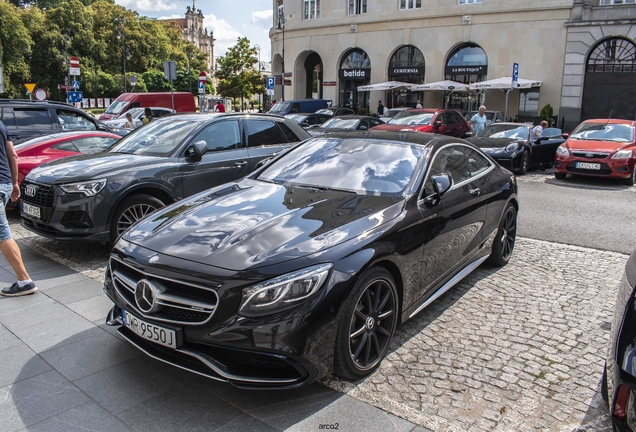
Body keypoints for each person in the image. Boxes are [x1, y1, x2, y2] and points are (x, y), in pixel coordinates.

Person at [0, 121, 37, 297]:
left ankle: (25, 280)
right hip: (5, 182)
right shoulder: (1, 125)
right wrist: (15, 182)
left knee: (2, 233)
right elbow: (13, 155)